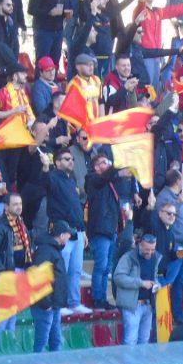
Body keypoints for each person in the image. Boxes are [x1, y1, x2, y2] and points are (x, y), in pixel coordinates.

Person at [47, 147, 88, 314]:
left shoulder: (71, 180)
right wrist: (45, 167)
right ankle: (60, 304)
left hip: (77, 230)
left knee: (76, 270)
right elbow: (44, 182)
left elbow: (76, 208)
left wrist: (83, 231)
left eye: (72, 159)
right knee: (60, 270)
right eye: (66, 159)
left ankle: (74, 302)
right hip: (62, 230)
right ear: (57, 162)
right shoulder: (52, 177)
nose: (71, 161)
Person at [85, 153, 127, 310]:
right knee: (101, 266)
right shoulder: (92, 179)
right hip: (100, 230)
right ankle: (97, 298)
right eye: (104, 162)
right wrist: (116, 164)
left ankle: (102, 298)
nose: (107, 164)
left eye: (108, 162)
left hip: (110, 231)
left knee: (106, 268)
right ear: (96, 167)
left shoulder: (109, 183)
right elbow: (104, 177)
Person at [114, 233, 164, 345]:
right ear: (140, 245)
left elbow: (155, 276)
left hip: (149, 304)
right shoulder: (128, 257)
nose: (150, 252)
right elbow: (118, 277)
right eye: (147, 249)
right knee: (130, 341)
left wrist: (157, 284)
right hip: (132, 305)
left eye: (152, 249)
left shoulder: (156, 257)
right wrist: (141, 283)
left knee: (144, 340)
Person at [31, 221, 72, 353]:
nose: (69, 237)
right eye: (68, 234)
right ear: (61, 235)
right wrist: (45, 303)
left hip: (53, 305)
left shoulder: (53, 249)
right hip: (45, 306)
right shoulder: (46, 251)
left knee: (55, 341)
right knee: (41, 342)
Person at [28, 0, 67, 70]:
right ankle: (40, 81)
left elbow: (64, 6)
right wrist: (49, 12)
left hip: (58, 30)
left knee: (55, 62)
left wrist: (67, 13)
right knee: (43, 62)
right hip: (43, 31)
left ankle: (53, 81)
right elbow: (31, 9)